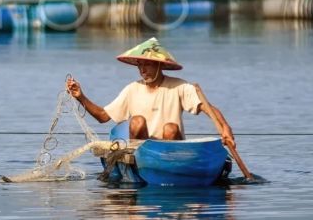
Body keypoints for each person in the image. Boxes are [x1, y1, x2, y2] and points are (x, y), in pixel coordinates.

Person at [66, 37, 236, 147]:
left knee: (170, 128)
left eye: (147, 64)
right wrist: (80, 97)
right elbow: (103, 116)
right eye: (140, 65)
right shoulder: (132, 89)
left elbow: (208, 108)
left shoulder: (179, 86)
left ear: (160, 65)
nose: (142, 70)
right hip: (142, 151)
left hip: (173, 149)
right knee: (137, 121)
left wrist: (225, 128)